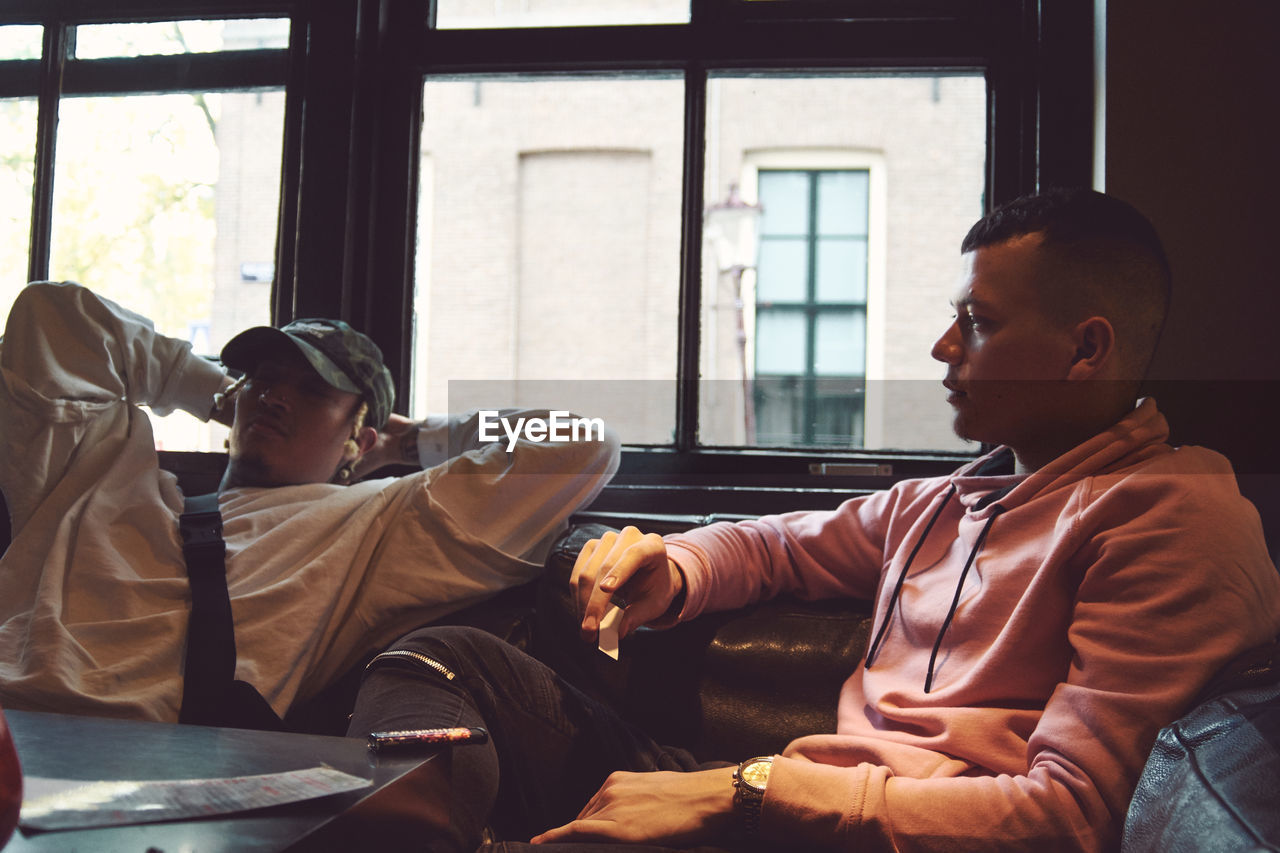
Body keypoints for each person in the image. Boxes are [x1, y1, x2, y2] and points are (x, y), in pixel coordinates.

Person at [345, 188, 1280, 852]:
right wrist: (671, 566)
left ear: (1085, 349)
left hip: (836, 824)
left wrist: (745, 793)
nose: (943, 347)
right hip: (771, 802)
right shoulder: (945, 499)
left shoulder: (1172, 518)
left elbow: (1070, 818)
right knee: (438, 655)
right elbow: (775, 544)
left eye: (979, 324)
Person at [0, 281, 620, 723]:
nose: (273, 396)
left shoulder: (373, 524)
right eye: (263, 378)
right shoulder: (104, 480)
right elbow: (53, 316)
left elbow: (584, 443)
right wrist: (220, 393)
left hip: (124, 755)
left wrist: (410, 440)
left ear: (361, 437)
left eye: (312, 389)